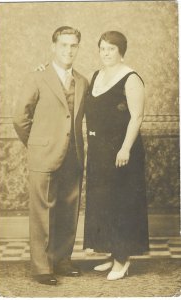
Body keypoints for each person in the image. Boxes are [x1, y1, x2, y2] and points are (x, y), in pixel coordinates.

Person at [13, 26, 88, 285]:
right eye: (64, 45)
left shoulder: (82, 81)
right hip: (44, 153)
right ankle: (42, 267)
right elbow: (20, 118)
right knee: (43, 212)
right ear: (53, 47)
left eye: (73, 45)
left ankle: (62, 259)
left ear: (78, 48)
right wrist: (36, 143)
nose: (69, 50)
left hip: (73, 154)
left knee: (68, 209)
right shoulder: (37, 77)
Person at [83, 31, 149, 280]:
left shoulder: (131, 78)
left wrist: (125, 148)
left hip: (122, 151)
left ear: (121, 51)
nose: (106, 53)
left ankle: (123, 260)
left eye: (111, 49)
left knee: (121, 203)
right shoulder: (95, 75)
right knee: (104, 203)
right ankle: (113, 254)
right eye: (102, 48)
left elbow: (137, 117)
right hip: (99, 150)